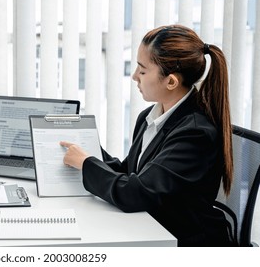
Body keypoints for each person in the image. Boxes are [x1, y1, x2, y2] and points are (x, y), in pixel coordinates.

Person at [60, 25, 233, 247]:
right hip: (151, 228)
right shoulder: (149, 117)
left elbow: (137, 192)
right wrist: (89, 150)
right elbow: (132, 172)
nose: (134, 77)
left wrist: (86, 164)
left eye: (142, 71)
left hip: (184, 243)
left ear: (171, 81)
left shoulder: (196, 133)